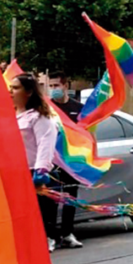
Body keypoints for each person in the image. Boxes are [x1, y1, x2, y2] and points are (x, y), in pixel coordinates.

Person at [12, 73, 59, 255]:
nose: (11, 92)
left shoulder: (39, 117)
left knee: (37, 222)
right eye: (11, 88)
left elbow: (45, 144)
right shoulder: (11, 114)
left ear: (29, 91)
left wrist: (40, 172)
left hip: (34, 175)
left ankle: (43, 247)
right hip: (14, 174)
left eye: (16, 88)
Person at [45, 72, 85, 250]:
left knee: (69, 198)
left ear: (65, 86)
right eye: (51, 86)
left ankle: (68, 233)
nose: (53, 90)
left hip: (72, 161)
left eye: (56, 86)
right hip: (52, 161)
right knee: (51, 199)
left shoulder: (78, 108)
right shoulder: (46, 109)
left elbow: (85, 133)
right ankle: (51, 236)